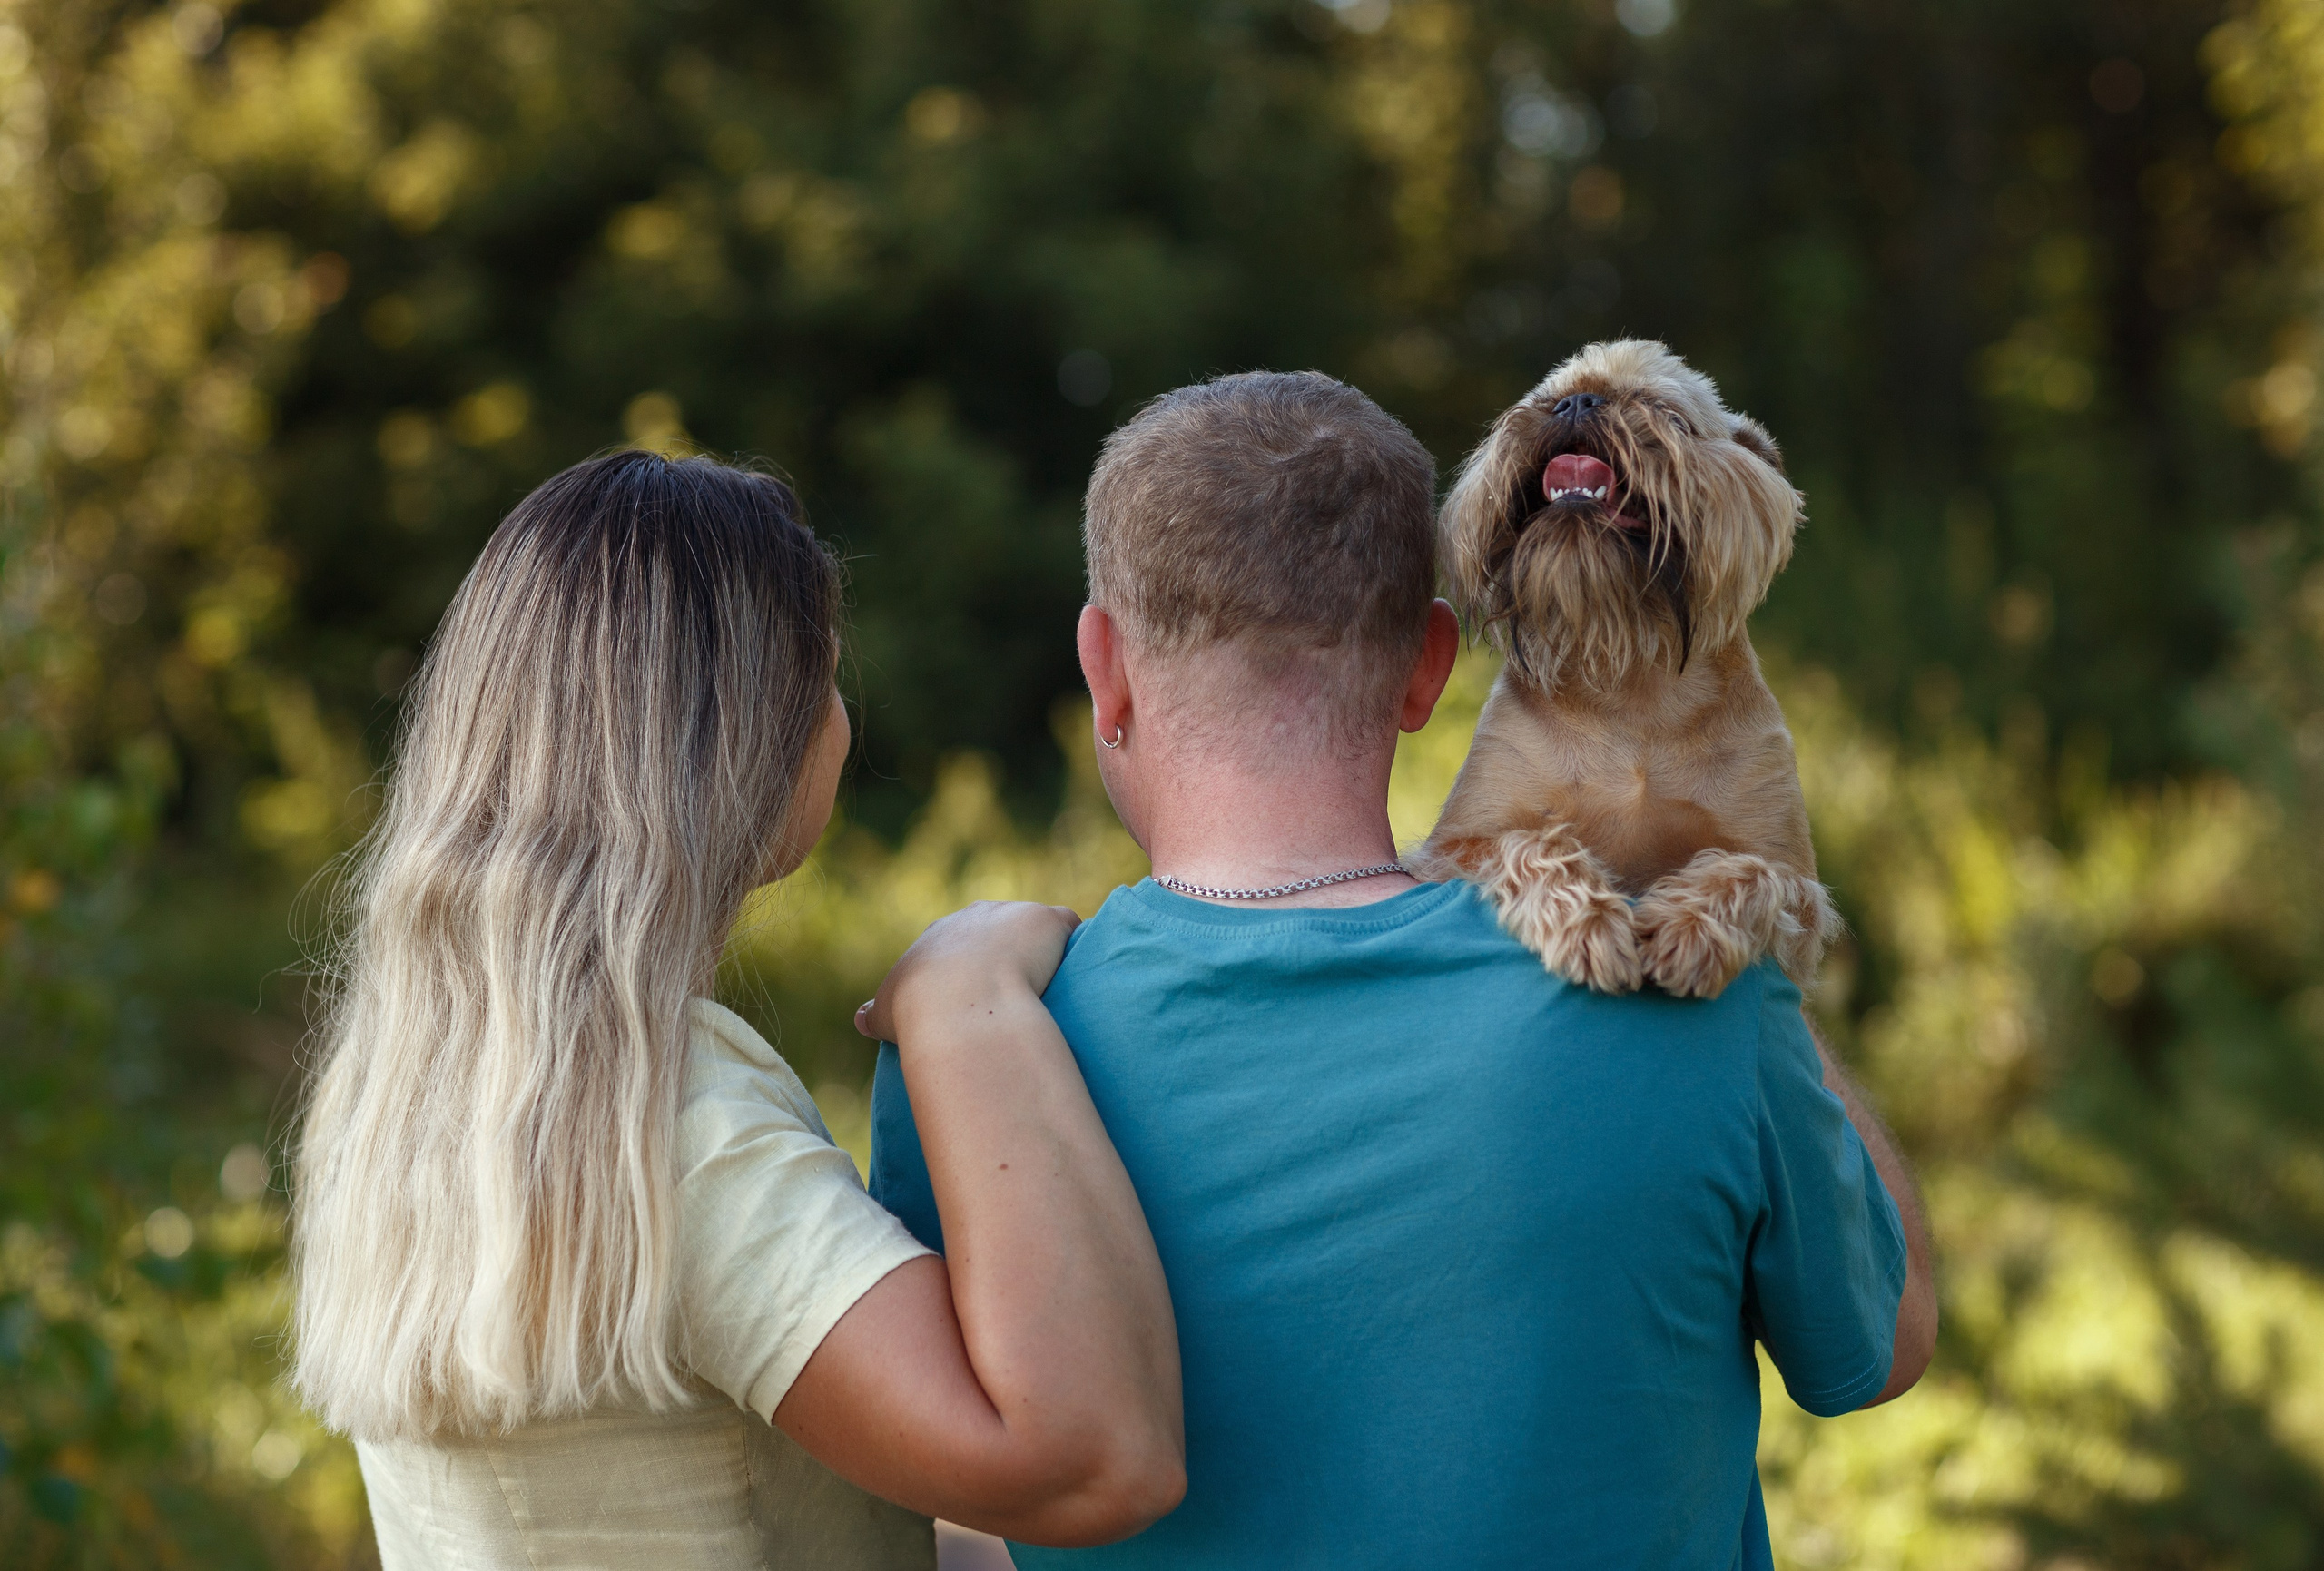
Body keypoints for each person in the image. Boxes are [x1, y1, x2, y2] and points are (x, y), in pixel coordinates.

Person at [868, 372, 1938, 1568]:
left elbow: (944, 1495)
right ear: (1432, 666)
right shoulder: (1697, 994)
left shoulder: (972, 1048)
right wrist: (1753, 926)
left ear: (1103, 667)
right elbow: (1878, 1346)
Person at [290, 451, 1184, 1570]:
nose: (841, 722)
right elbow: (1093, 1458)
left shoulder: (414, 1086)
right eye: (824, 681)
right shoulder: (672, 1122)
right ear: (746, 734)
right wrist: (969, 1001)